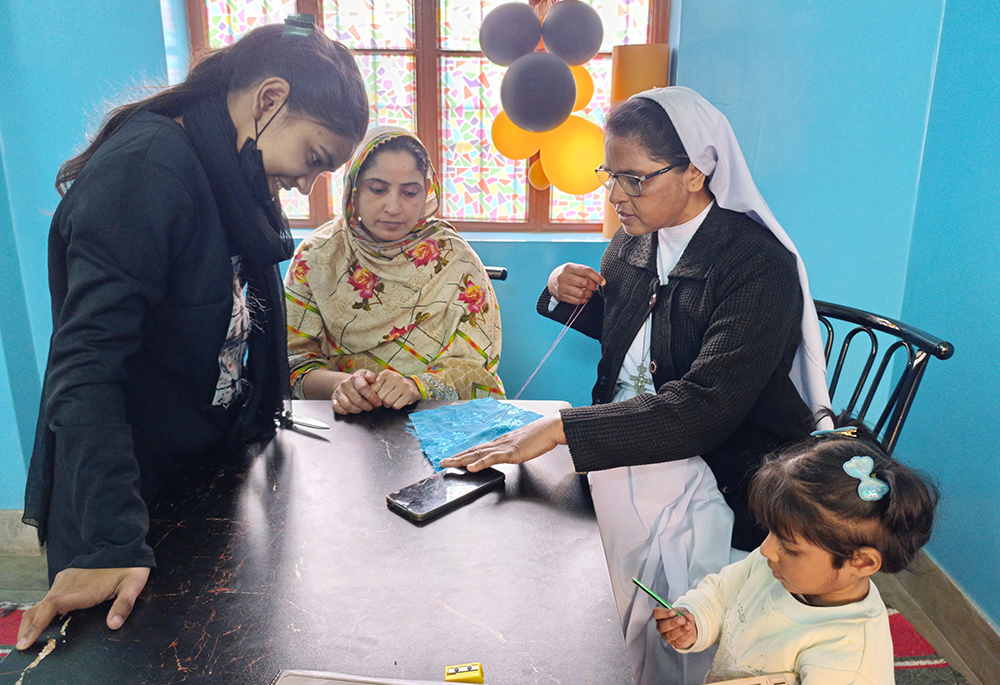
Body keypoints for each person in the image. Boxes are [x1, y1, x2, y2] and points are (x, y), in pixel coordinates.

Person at [441, 86, 832, 684]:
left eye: (635, 178)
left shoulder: (757, 266)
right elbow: (643, 336)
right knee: (514, 515)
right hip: (636, 442)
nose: (616, 194)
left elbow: (706, 407)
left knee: (582, 557)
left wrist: (562, 428)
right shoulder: (633, 240)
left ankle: (626, 665)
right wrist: (560, 292)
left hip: (724, 463)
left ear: (699, 171)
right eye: (610, 174)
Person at [17, 17, 369, 651]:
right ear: (269, 100)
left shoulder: (228, 172)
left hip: (196, 482)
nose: (306, 184)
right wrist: (111, 542)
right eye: (314, 159)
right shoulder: (147, 169)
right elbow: (85, 368)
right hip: (122, 504)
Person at [655, 420, 939, 683]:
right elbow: (724, 591)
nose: (766, 550)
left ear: (861, 561)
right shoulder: (778, 568)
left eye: (789, 547)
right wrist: (697, 621)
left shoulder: (848, 665)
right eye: (771, 531)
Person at [284, 126, 505, 414]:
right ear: (354, 189)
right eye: (377, 189)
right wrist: (344, 385)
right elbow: (292, 358)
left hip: (438, 419)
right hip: (340, 421)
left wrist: (417, 386)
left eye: (410, 192)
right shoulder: (317, 257)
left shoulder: (456, 260)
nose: (393, 207)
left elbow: (476, 369)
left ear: (427, 192)